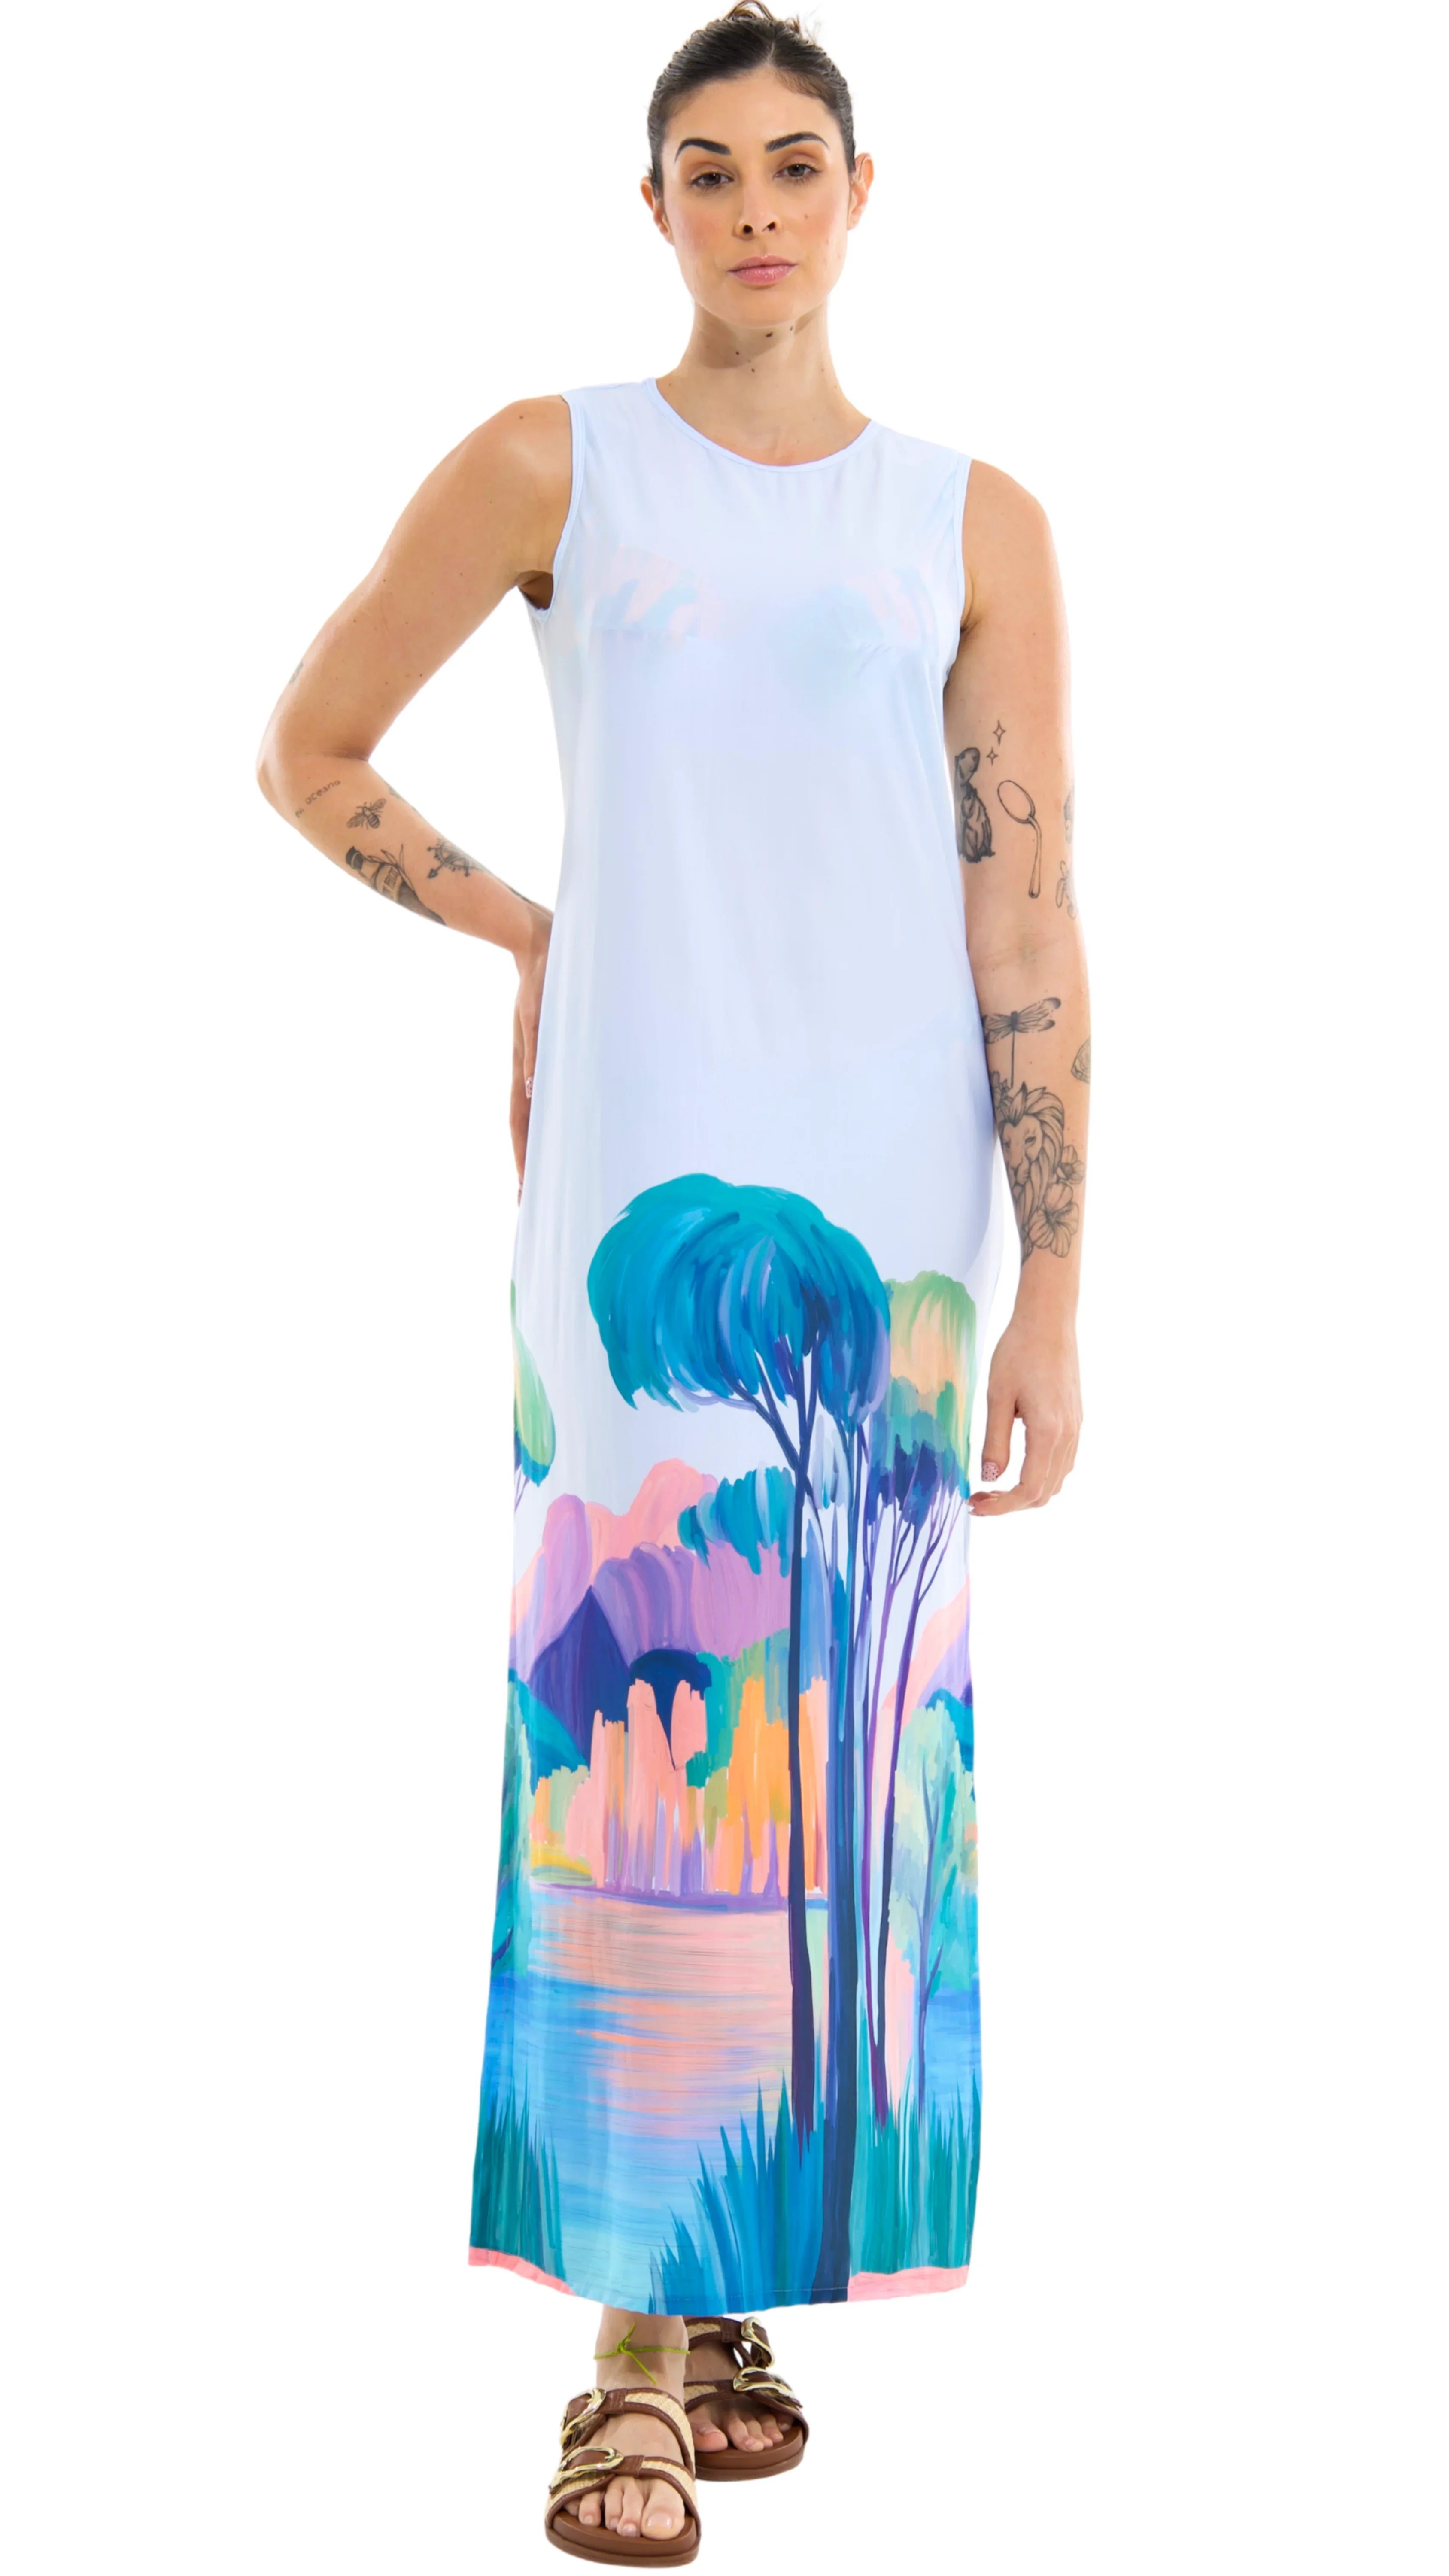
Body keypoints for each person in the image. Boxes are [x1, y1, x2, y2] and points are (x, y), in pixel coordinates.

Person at [256, 4, 1087, 2559]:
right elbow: (309, 748)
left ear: (863, 193)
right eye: (708, 170)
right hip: (639, 1189)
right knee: (633, 1715)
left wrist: (1059, 1274)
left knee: (859, 1728)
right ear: (654, 209)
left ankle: (733, 2282)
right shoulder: (558, 464)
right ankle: (623, 2346)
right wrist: (532, 932)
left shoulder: (973, 520)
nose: (755, 210)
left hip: (898, 1200)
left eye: (794, 165)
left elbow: (1026, 906)